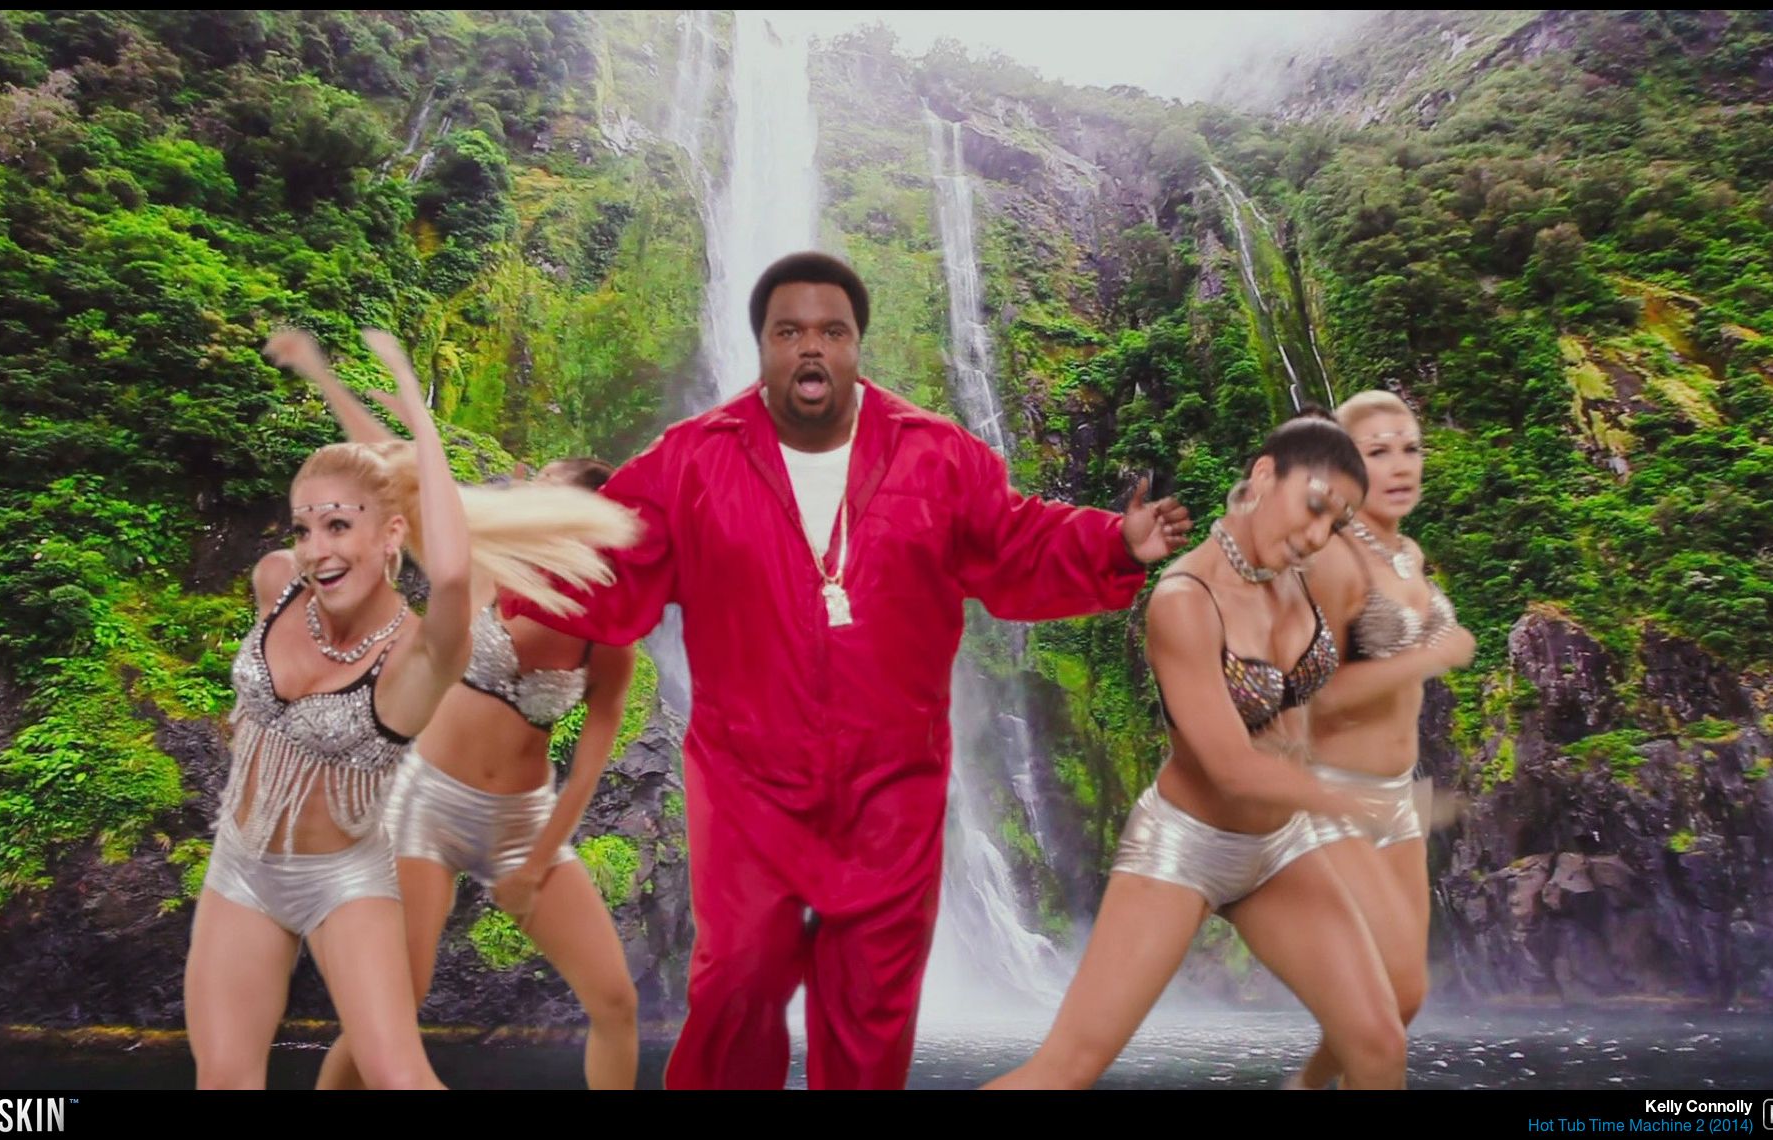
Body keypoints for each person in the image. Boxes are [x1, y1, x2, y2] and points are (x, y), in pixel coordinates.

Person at [504, 251, 1194, 1089]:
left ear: (857, 344)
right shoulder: (690, 460)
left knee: (872, 1007)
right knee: (737, 981)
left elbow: (1013, 542)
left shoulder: (937, 456)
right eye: (788, 331)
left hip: (892, 786)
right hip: (747, 781)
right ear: (762, 346)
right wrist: (518, 558)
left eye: (831, 331)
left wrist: (1115, 543)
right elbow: (614, 560)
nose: (811, 347)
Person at [183, 330, 635, 1089]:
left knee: (616, 1001)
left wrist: (536, 862)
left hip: (524, 819)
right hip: (427, 805)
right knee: (396, 1009)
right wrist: (324, 374)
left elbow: (591, 760)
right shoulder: (485, 569)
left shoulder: (608, 635)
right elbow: (394, 475)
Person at [986, 413, 1409, 1090]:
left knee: (1379, 1046)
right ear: (1264, 476)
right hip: (1187, 848)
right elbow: (1231, 769)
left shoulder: (1304, 575)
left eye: (1336, 522)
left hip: (1281, 848)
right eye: (1315, 506)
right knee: (1065, 1071)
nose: (1317, 534)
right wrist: (1351, 800)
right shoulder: (1185, 600)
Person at [1286, 389, 1473, 1090]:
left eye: (1410, 448)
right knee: (1378, 1020)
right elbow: (1311, 696)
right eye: (1377, 452)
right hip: (1334, 796)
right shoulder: (1331, 559)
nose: (1400, 465)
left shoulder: (1407, 554)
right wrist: (1429, 656)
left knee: (1405, 998)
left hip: (1400, 795)